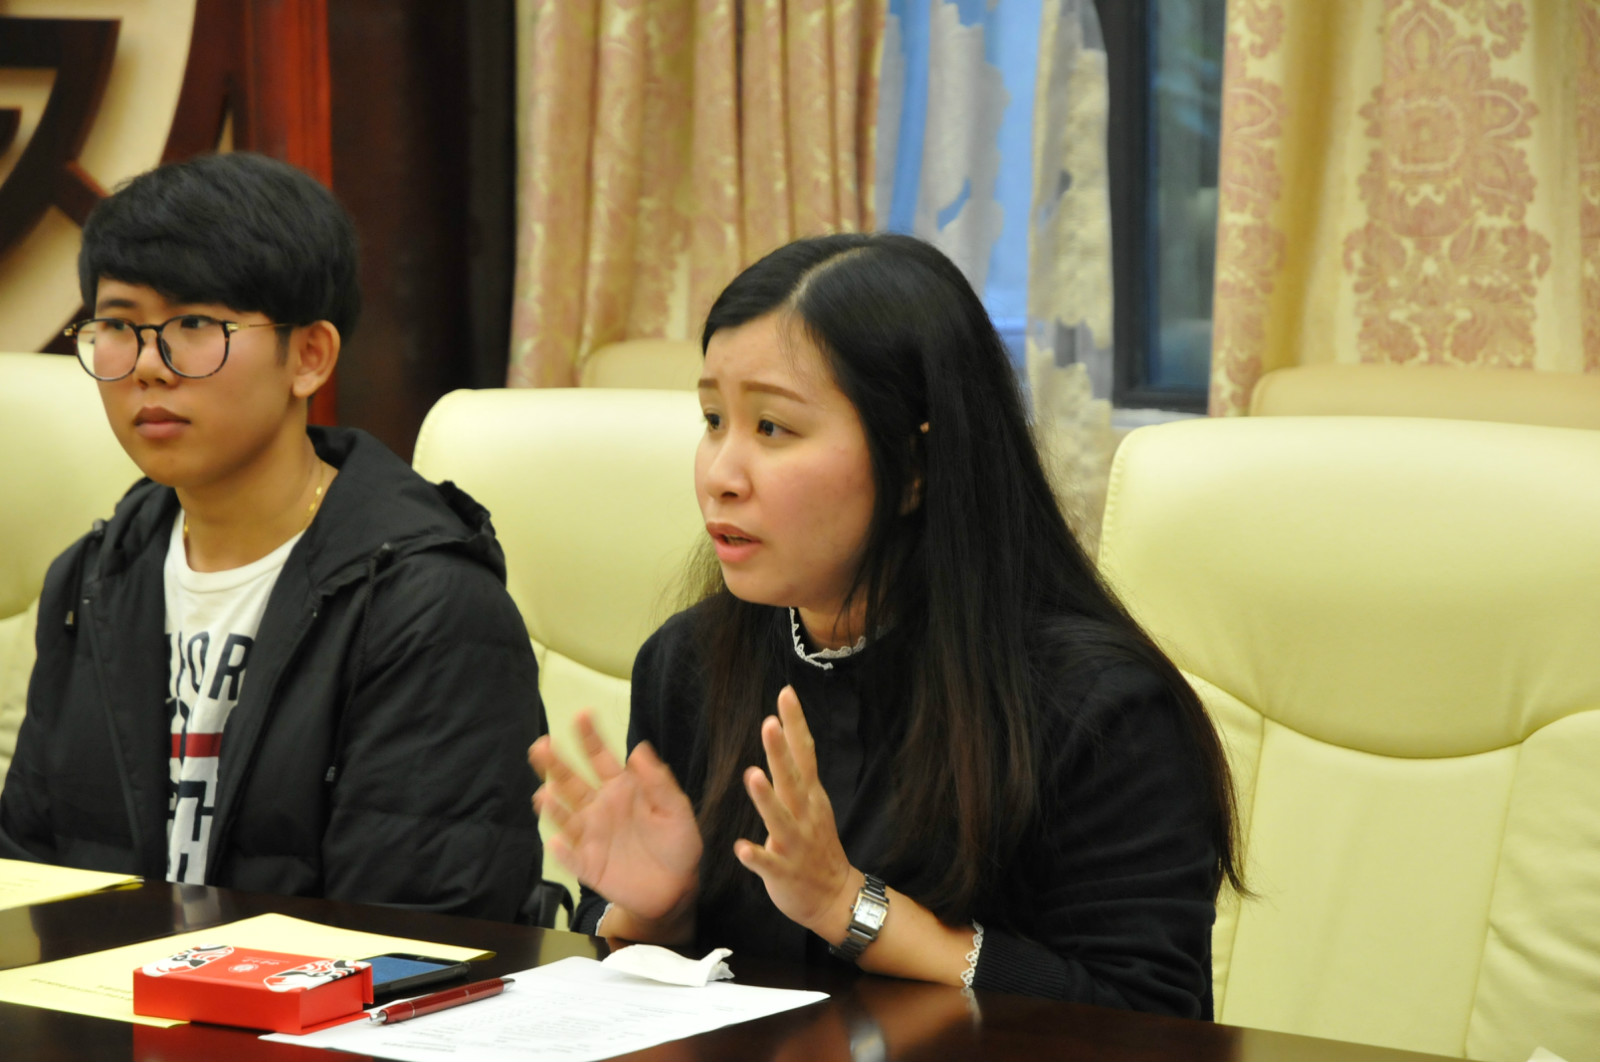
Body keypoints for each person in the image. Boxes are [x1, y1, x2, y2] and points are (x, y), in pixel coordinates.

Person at [530, 233, 1242, 1016]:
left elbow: (1148, 1019)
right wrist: (655, 912)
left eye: (772, 427)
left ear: (912, 468)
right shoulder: (690, 664)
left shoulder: (1098, 707)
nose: (721, 474)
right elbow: (652, 994)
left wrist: (851, 908)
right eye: (712, 419)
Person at [0, 152, 544, 921]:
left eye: (194, 324)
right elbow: (28, 878)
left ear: (309, 356)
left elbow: (420, 936)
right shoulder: (93, 578)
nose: (148, 365)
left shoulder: (427, 604)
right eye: (118, 325)